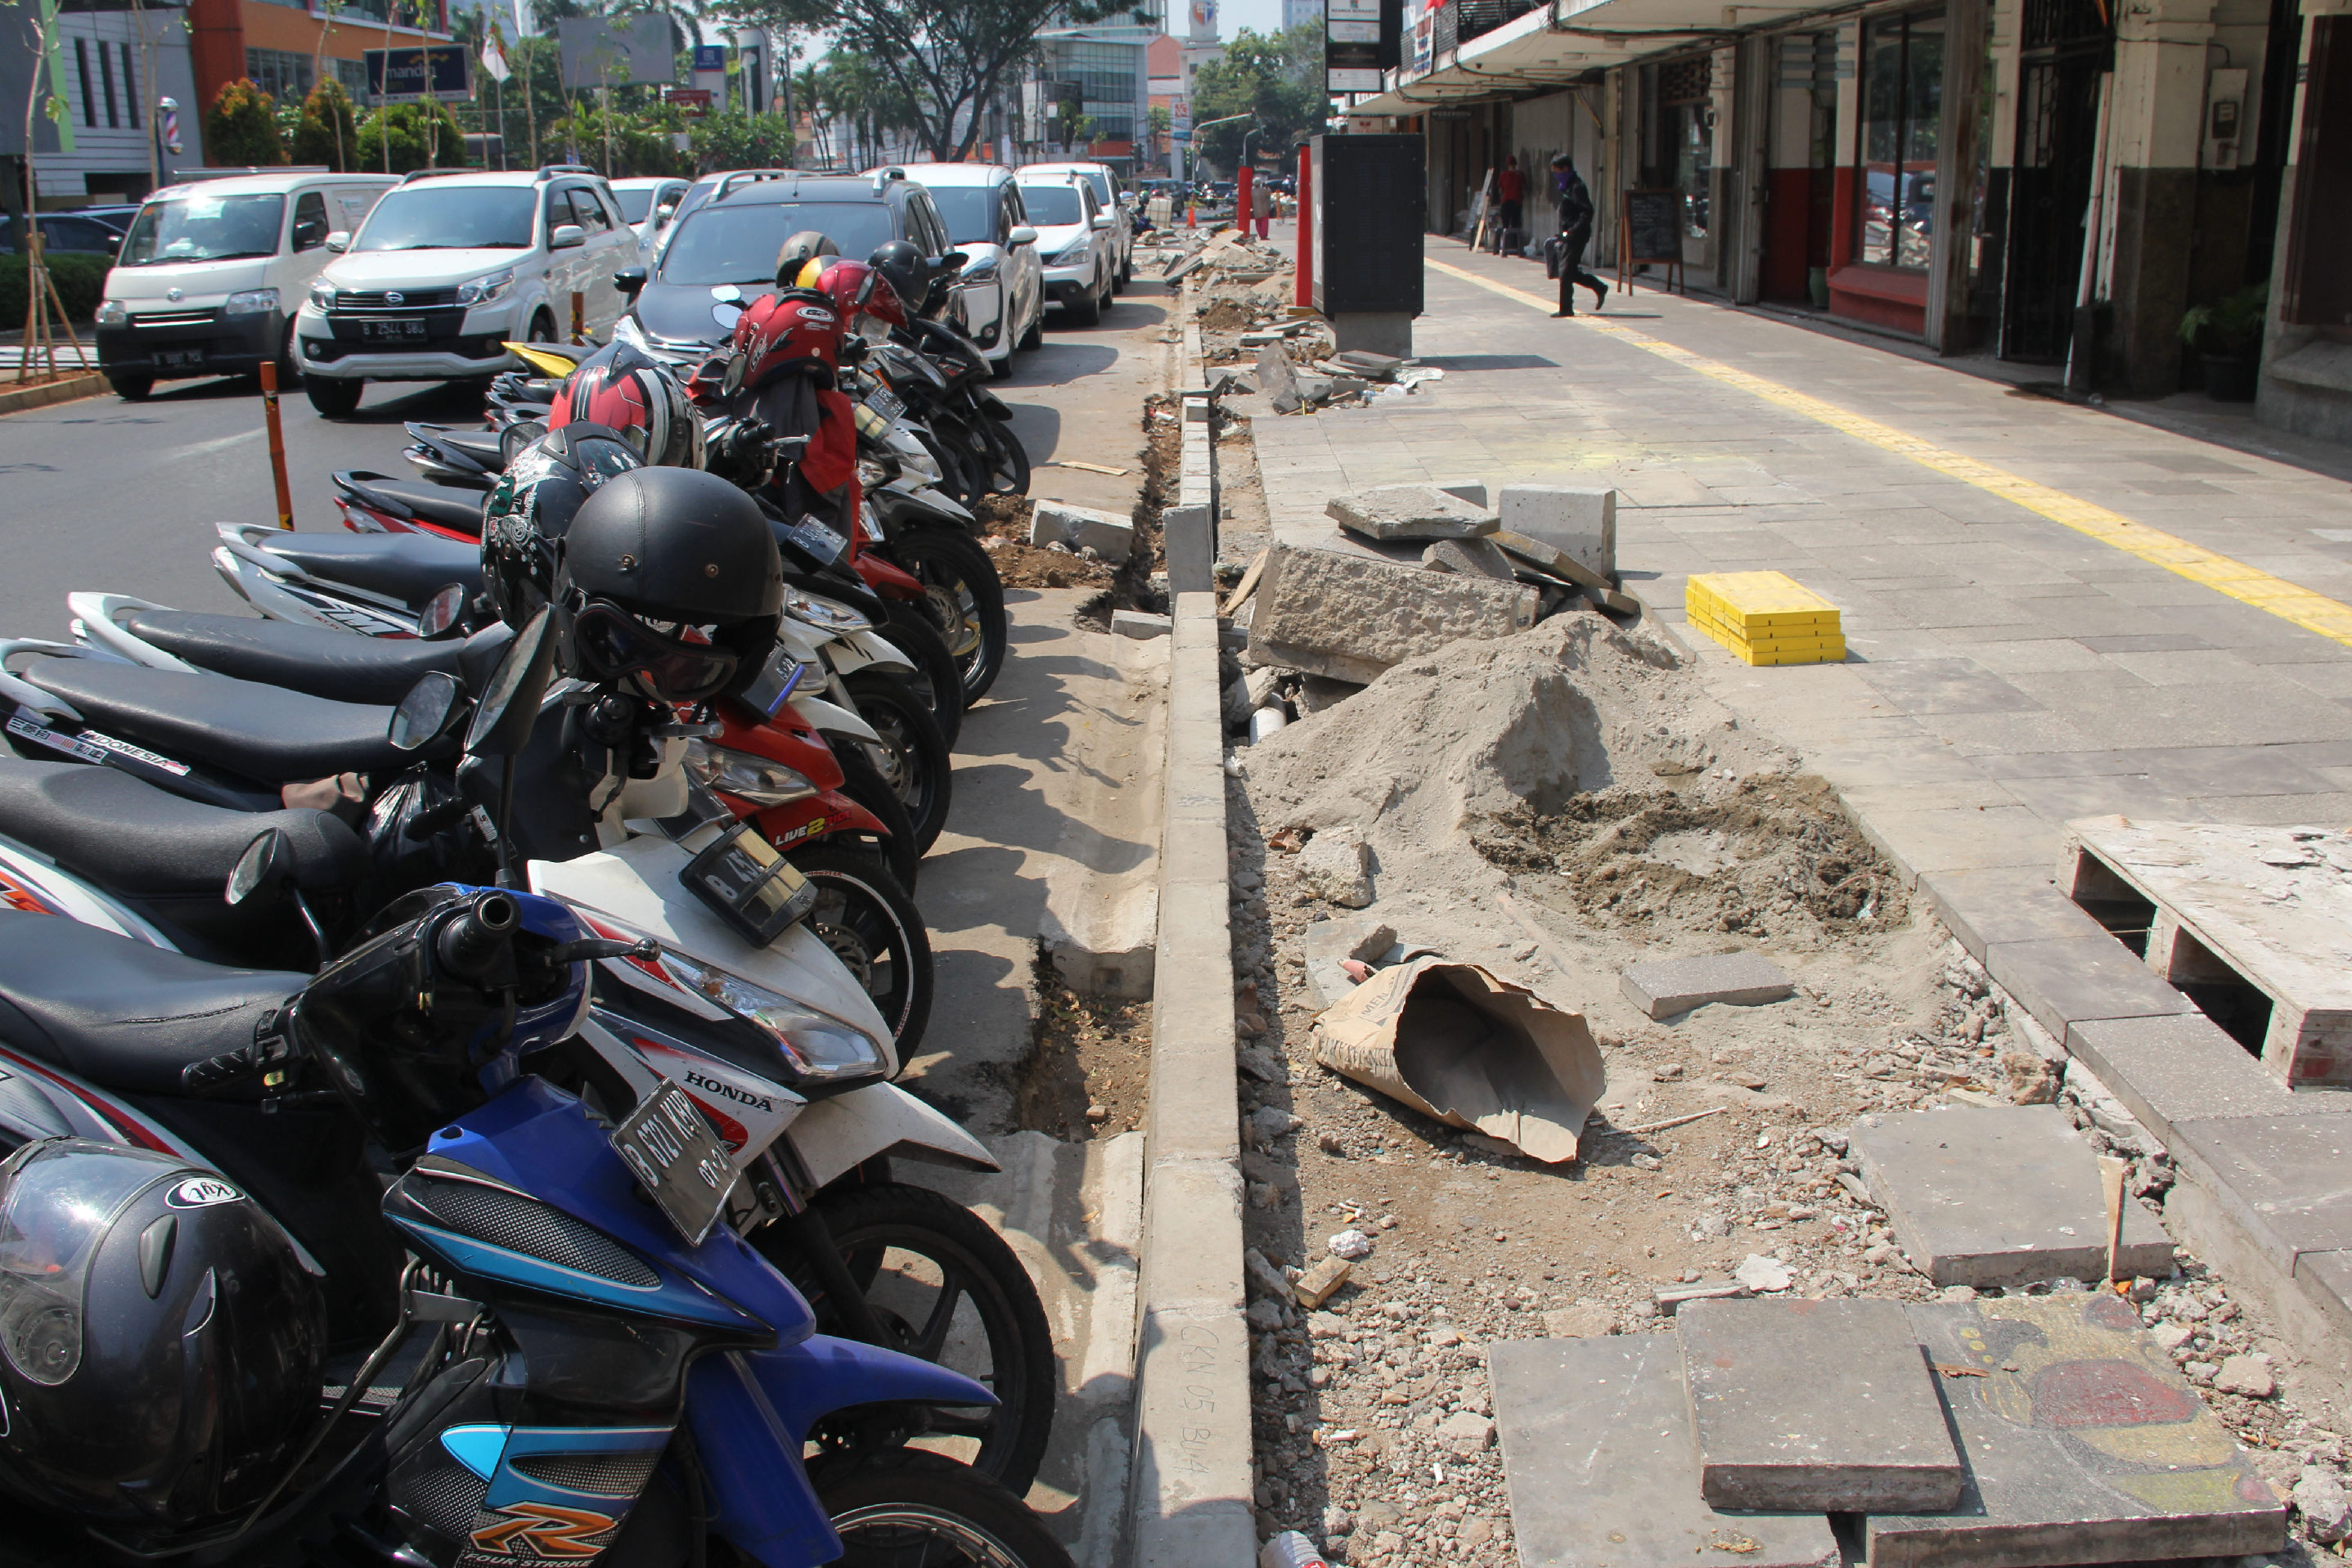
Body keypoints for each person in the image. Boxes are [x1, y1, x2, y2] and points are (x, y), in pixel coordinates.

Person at [1549, 152, 1608, 317]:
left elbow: (1587, 212)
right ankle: (1599, 287)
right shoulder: (1568, 186)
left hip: (1577, 235)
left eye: (1557, 171)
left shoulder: (1577, 187)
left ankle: (1566, 309)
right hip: (1569, 234)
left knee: (1565, 271)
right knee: (1570, 271)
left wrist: (1572, 231)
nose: (1556, 175)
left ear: (1566, 169)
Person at [1497, 154, 1524, 238]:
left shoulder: (1503, 175)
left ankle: (1506, 243)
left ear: (1507, 164)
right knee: (1515, 224)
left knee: (1505, 224)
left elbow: (1501, 190)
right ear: (1516, 164)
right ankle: (1514, 243)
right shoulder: (1520, 175)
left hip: (1506, 201)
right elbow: (1524, 187)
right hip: (1517, 201)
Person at [1252, 175, 1273, 240]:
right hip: (1264, 208)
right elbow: (1269, 192)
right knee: (1264, 223)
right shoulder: (1263, 190)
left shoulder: (1252, 191)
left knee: (1258, 223)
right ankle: (1264, 235)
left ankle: (1261, 235)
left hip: (1256, 209)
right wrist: (1266, 187)